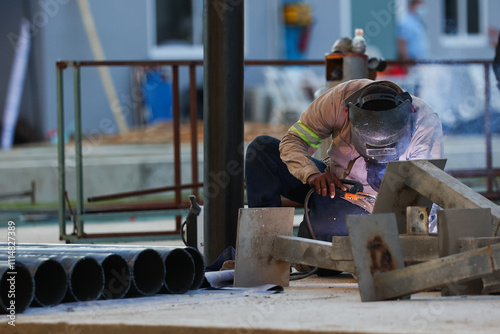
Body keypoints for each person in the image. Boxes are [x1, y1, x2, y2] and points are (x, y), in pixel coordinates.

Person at [245, 79, 443, 244]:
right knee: (261, 151)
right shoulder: (337, 101)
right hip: (334, 185)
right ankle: (265, 251)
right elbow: (294, 140)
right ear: (349, 115)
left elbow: (421, 194)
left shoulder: (423, 121)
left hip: (378, 207)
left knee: (320, 245)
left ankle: (326, 225)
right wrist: (311, 173)